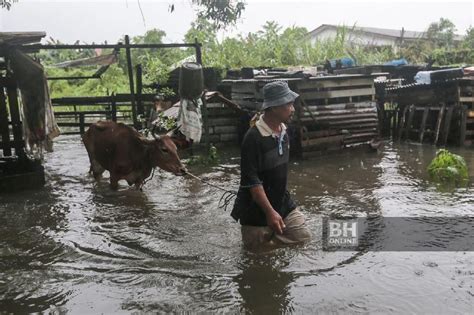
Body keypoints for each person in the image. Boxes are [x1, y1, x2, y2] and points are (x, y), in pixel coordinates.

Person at [231, 81, 311, 248]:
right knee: (260, 257)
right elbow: (253, 182)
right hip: (255, 211)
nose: (293, 109)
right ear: (274, 107)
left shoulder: (284, 131)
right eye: (288, 104)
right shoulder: (253, 139)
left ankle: (274, 238)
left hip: (281, 202)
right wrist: (269, 213)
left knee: (302, 237)